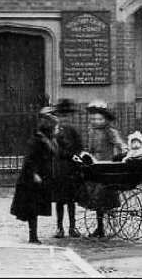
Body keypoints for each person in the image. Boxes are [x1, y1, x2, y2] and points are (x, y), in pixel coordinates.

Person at [78, 99, 126, 238]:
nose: (95, 121)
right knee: (94, 195)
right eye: (93, 118)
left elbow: (120, 143)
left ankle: (107, 219)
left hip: (106, 165)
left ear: (105, 119)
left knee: (103, 193)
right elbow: (90, 148)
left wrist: (125, 151)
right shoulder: (91, 131)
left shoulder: (110, 131)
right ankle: (100, 227)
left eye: (99, 118)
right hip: (94, 165)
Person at [10, 107, 58, 243]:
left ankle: (34, 236)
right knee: (32, 208)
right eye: (55, 127)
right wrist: (34, 174)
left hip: (40, 177)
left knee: (35, 207)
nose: (57, 129)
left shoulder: (47, 140)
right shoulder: (38, 140)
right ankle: (33, 237)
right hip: (31, 179)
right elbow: (30, 159)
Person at [49, 98, 84, 238]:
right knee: (59, 201)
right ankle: (59, 227)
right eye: (61, 115)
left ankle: (72, 227)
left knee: (70, 201)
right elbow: (53, 149)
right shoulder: (55, 132)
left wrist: (75, 155)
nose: (64, 118)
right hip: (59, 168)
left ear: (70, 116)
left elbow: (79, 146)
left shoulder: (73, 130)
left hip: (71, 169)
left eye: (66, 115)